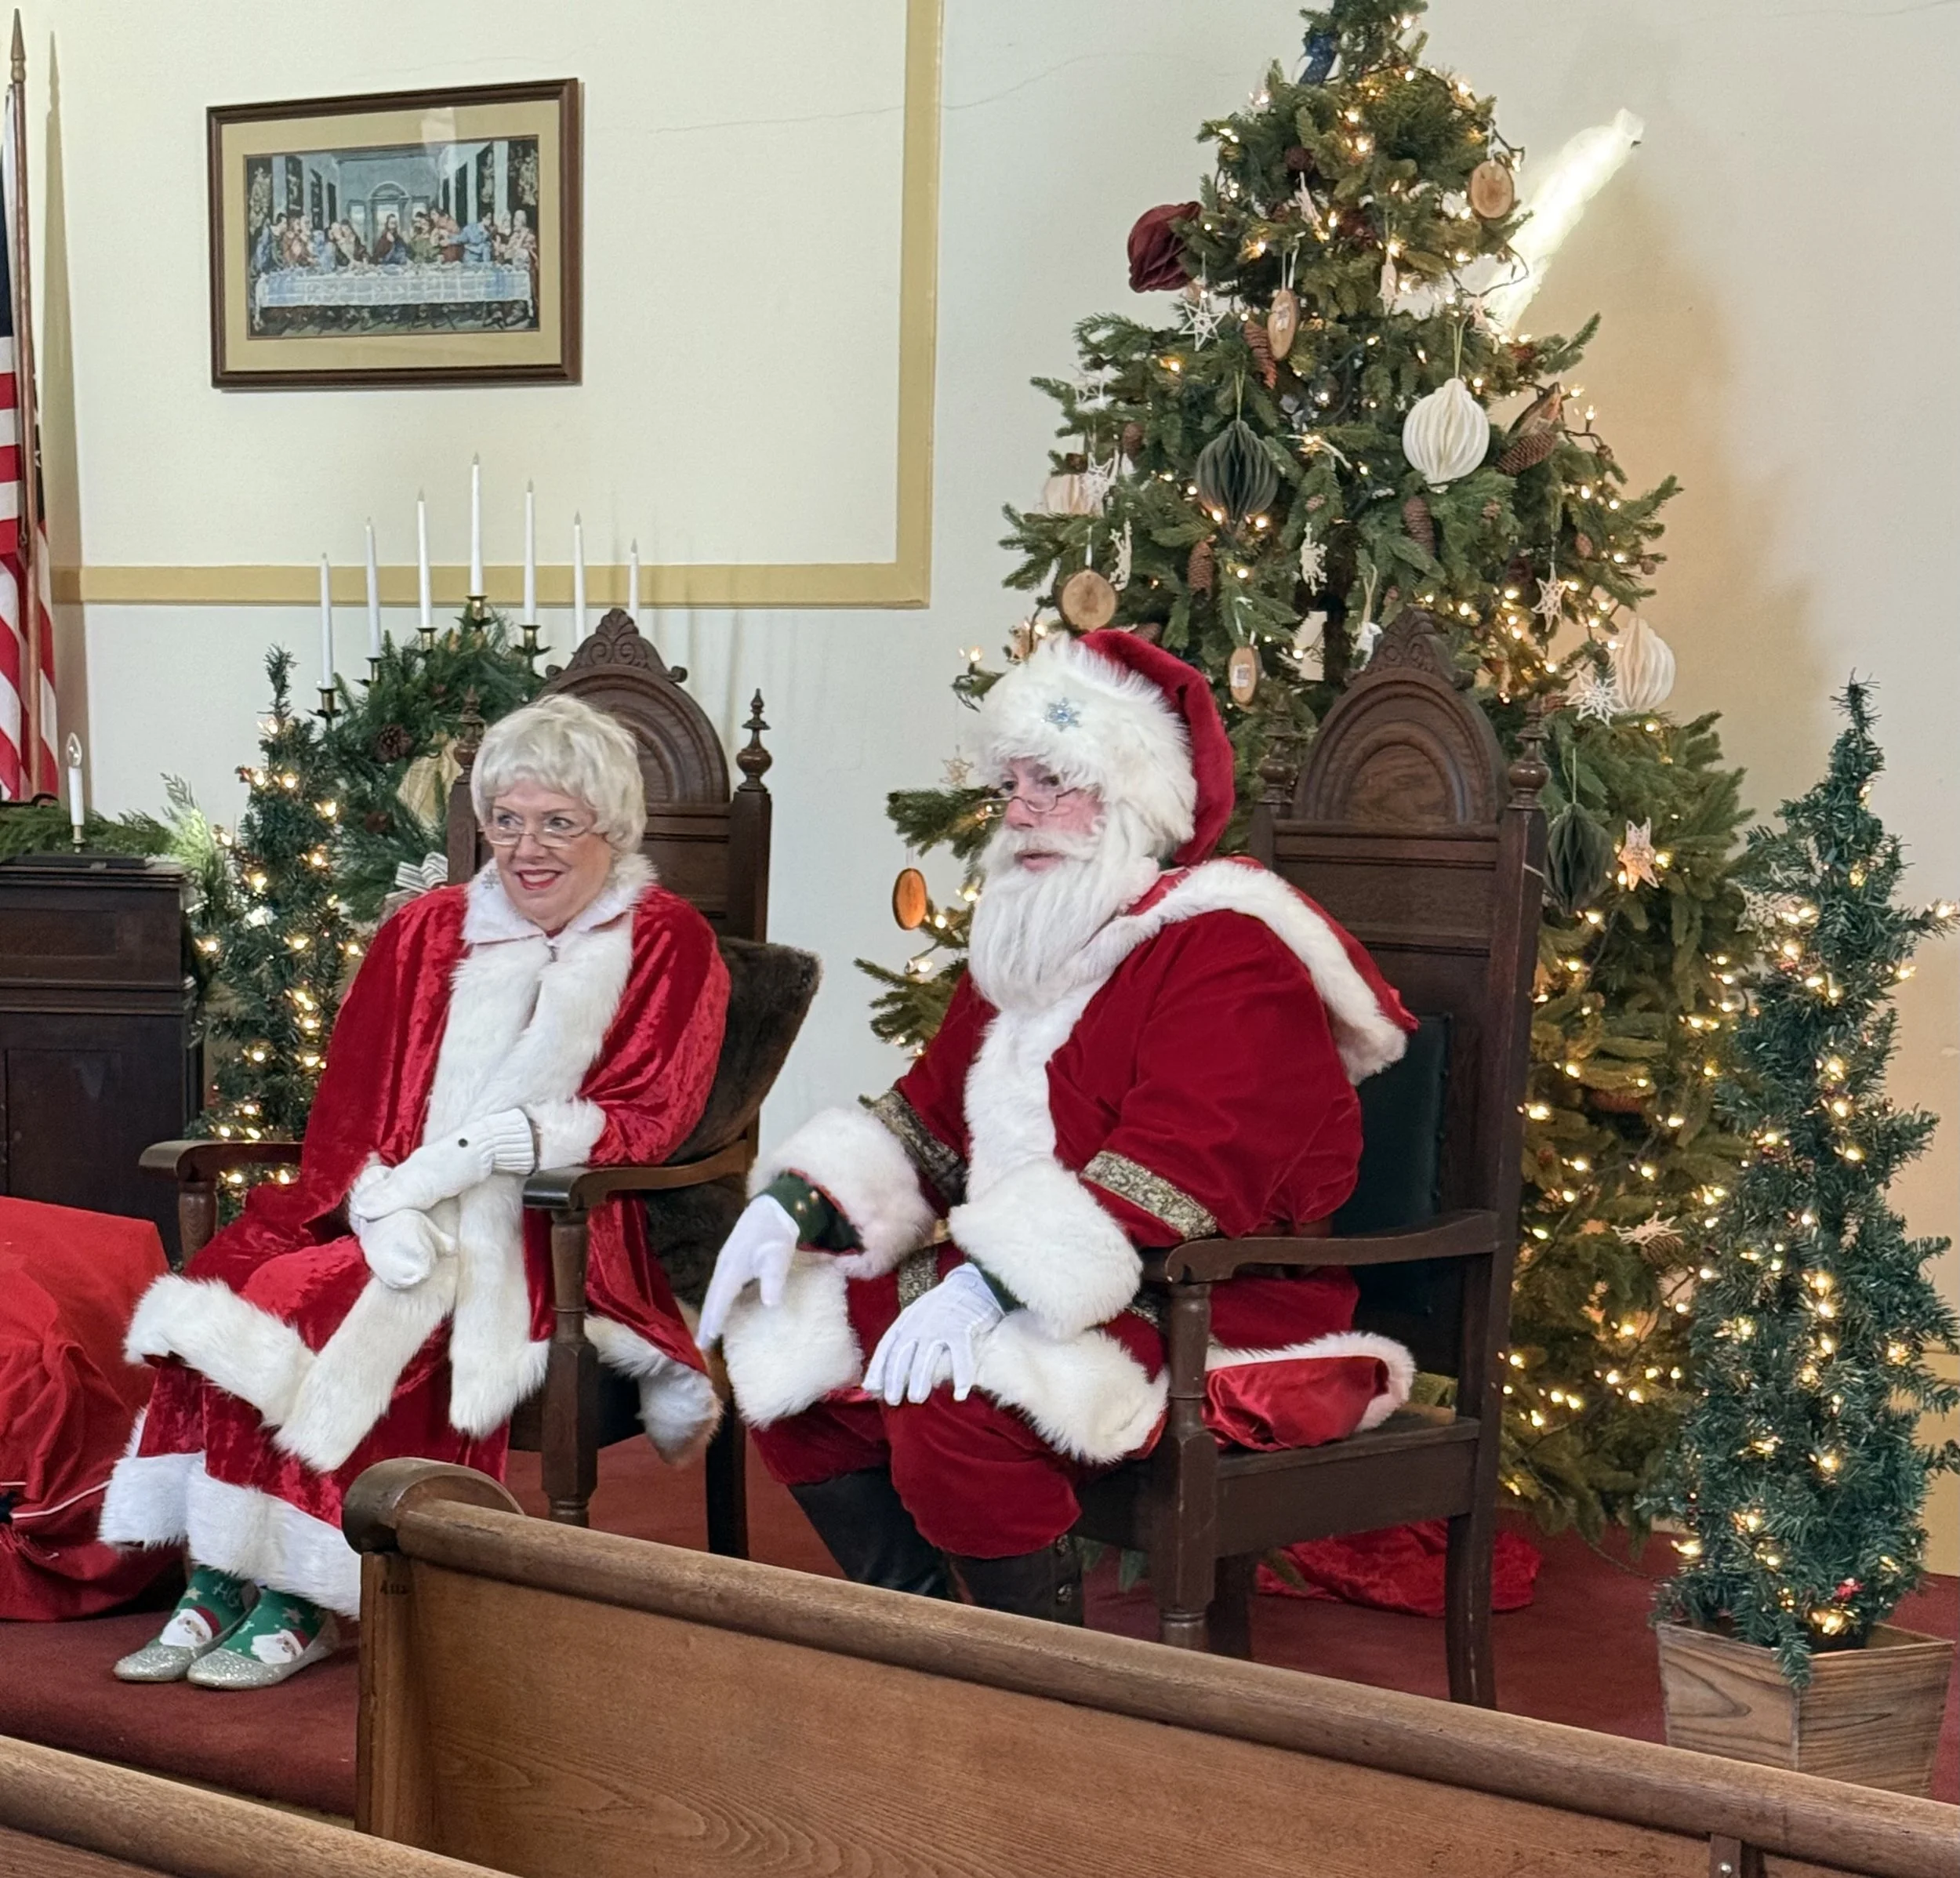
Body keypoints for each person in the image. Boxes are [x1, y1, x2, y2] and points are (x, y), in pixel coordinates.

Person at [699, 630, 1418, 1623]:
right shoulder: (1026, 946)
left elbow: (1190, 1169)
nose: (1023, 810)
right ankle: (913, 1622)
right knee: (787, 1332)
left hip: (1217, 1297)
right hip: (1058, 1283)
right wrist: (797, 1204)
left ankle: (1043, 1670)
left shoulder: (1228, 951)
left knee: (956, 1395)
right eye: (1017, 781)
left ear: (1132, 805)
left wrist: (992, 1284)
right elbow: (924, 1125)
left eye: (1057, 782)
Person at [100, 695, 729, 1687]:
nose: (528, 846)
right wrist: (368, 1202)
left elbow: (651, 1112)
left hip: (548, 1219)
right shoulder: (429, 928)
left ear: (609, 826)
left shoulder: (667, 942)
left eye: (558, 821)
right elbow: (352, 1103)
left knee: (336, 1301)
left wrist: (498, 1149)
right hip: (387, 1201)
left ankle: (307, 1591)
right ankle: (221, 1574)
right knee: (242, 1279)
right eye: (508, 819)